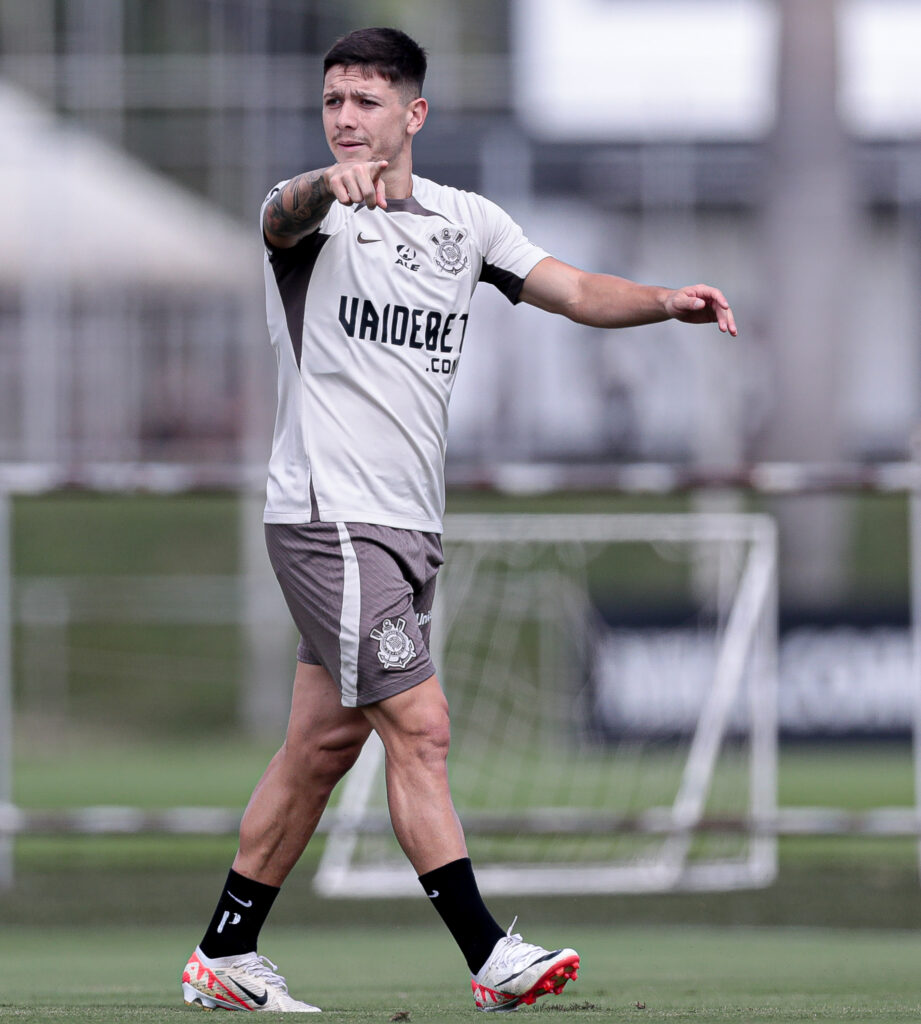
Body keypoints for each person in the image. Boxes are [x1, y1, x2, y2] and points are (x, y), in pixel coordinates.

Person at [180, 26, 737, 1015]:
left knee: (321, 745)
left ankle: (225, 949)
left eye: (366, 103)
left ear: (414, 114)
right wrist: (322, 185)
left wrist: (663, 301)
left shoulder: (465, 222)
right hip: (329, 519)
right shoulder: (310, 219)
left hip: (406, 526)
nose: (346, 120)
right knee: (423, 728)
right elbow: (276, 214)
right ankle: (489, 954)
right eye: (333, 102)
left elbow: (569, 288)